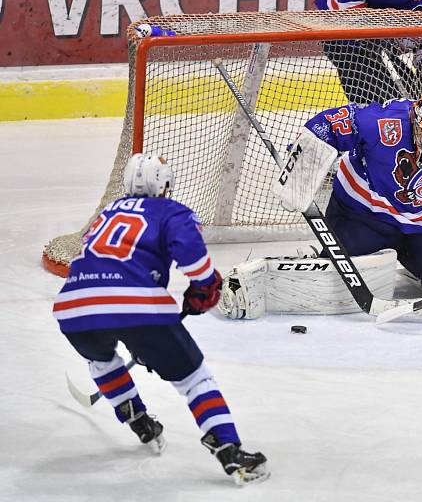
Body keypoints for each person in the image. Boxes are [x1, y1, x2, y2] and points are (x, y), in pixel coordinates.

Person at [53, 153, 269, 486]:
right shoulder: (171, 211)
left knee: (101, 362)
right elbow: (195, 262)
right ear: (165, 184)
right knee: (195, 379)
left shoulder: (106, 215)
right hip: (138, 307)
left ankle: (138, 420)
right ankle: (227, 448)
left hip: (73, 306)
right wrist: (204, 287)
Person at [219, 93, 422, 319]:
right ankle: (259, 276)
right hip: (360, 214)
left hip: (418, 223)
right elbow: (328, 124)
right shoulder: (381, 122)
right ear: (413, 121)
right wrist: (303, 159)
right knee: (332, 285)